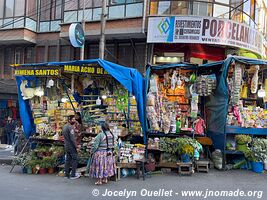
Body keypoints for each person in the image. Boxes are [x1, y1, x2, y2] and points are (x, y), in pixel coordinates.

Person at [62, 115, 80, 180]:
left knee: (67, 160)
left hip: (66, 145)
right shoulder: (70, 127)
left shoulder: (64, 126)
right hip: (71, 146)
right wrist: (76, 146)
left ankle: (66, 174)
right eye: (73, 119)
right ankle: (73, 174)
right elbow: (72, 139)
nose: (74, 121)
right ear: (69, 120)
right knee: (75, 159)